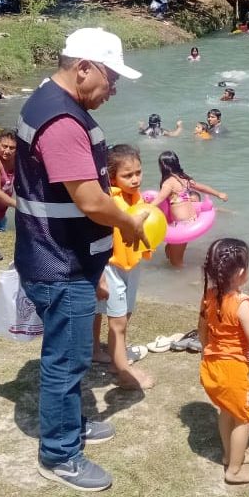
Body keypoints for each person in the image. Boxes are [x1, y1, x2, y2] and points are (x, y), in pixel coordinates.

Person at [13, 27, 148, 492]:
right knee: (66, 360)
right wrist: (128, 223)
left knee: (69, 355)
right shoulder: (63, 122)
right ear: (82, 68)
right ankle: (60, 453)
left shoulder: (48, 100)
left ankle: (71, 424)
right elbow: (91, 200)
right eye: (110, 79)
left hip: (62, 255)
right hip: (59, 261)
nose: (113, 90)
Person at [198, 238, 249, 485]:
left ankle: (228, 454)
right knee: (244, 416)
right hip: (232, 371)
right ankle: (234, 470)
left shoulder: (209, 295)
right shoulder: (242, 304)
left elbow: (202, 330)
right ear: (242, 273)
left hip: (212, 367)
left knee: (227, 410)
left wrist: (207, 351)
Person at [92, 144, 155, 391]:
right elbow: (95, 236)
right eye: (128, 175)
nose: (135, 179)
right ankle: (122, 372)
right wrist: (97, 275)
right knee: (117, 323)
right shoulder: (109, 200)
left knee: (124, 316)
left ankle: (100, 353)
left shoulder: (136, 199)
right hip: (111, 267)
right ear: (111, 176)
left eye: (138, 172)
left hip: (132, 265)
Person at [149, 150, 228, 267]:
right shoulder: (184, 178)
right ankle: (170, 253)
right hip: (191, 220)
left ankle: (179, 278)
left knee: (176, 263)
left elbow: (160, 198)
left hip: (181, 225)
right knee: (172, 251)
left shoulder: (168, 183)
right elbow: (202, 187)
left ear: (163, 166)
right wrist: (218, 193)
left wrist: (145, 208)